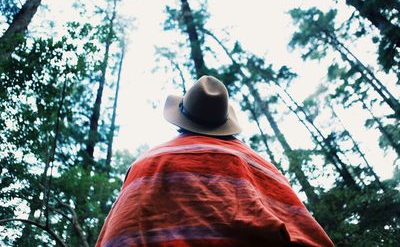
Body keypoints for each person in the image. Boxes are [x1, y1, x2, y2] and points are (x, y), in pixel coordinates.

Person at [96, 76, 334, 247]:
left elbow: (119, 236)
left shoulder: (147, 163)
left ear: (180, 119)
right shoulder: (261, 167)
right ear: (224, 123)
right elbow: (309, 237)